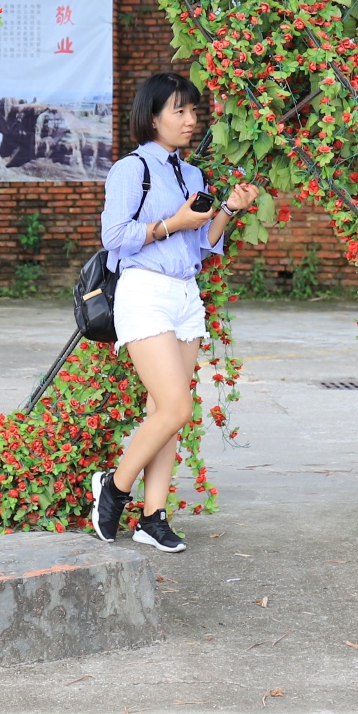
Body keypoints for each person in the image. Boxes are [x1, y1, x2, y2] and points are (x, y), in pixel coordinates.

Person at [89, 72, 259, 553]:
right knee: (176, 407)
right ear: (153, 118)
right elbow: (114, 237)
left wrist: (228, 209)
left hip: (185, 295)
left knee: (164, 412)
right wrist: (173, 222)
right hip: (144, 290)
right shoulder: (131, 170)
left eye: (193, 110)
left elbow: (201, 244)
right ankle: (114, 487)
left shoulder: (191, 175)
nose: (190, 120)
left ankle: (152, 517)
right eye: (178, 111)